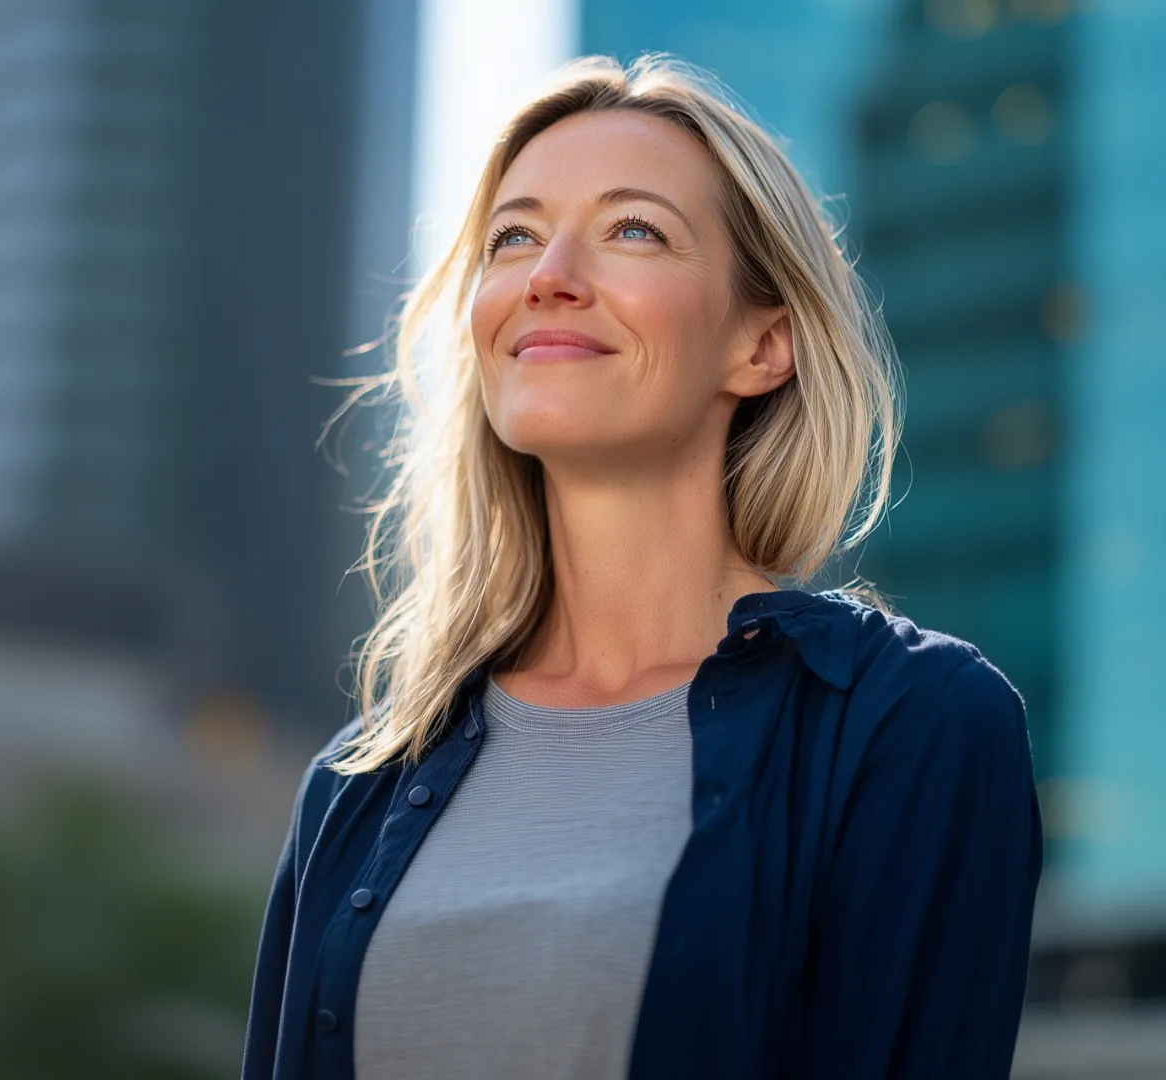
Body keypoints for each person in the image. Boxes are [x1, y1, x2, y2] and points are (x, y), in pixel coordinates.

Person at [240, 54, 1043, 1080]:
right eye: (514, 237)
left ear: (763, 346)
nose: (549, 275)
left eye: (633, 230)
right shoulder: (356, 781)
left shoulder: (914, 724)